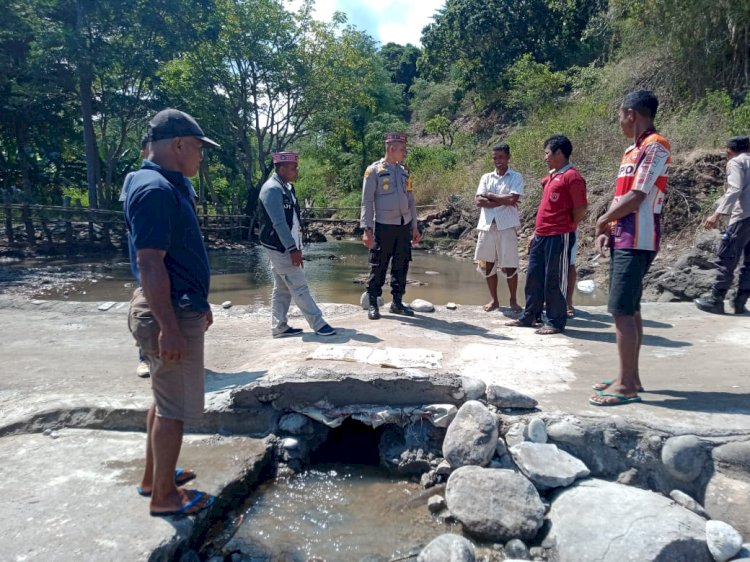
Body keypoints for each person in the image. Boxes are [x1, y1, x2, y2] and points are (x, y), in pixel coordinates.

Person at [125, 108, 219, 516]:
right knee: (174, 410)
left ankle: (154, 477)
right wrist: (170, 327)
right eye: (198, 147)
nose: (201, 155)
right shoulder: (157, 190)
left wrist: (200, 301)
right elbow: (150, 263)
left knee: (163, 400)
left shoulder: (159, 183)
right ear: (178, 145)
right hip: (168, 314)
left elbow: (176, 257)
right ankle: (164, 497)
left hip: (178, 305)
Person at [590, 90, 670, 407]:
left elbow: (638, 195)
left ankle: (626, 387)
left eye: (621, 116)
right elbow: (621, 195)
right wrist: (609, 227)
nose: (620, 122)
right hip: (623, 235)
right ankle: (630, 376)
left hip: (640, 238)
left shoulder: (656, 146)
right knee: (631, 308)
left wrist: (601, 221)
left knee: (621, 310)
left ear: (630, 113)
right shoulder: (630, 151)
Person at [121, 135, 199, 379]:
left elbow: (190, 212)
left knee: (173, 391)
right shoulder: (143, 182)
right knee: (152, 301)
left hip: (181, 269)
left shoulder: (182, 182)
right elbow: (140, 227)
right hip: (156, 256)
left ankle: (165, 361)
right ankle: (146, 357)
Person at [506, 134, 587, 334]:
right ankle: (530, 316)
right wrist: (535, 233)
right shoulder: (552, 176)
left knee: (554, 279)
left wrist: (567, 225)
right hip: (541, 234)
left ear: (559, 153)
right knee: (533, 276)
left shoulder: (572, 177)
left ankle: (555, 321)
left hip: (559, 235)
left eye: (547, 153)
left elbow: (580, 208)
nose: (545, 158)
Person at [257, 152, 336, 337]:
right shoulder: (272, 189)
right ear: (282, 169)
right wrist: (292, 249)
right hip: (280, 246)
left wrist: (297, 245)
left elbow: (292, 220)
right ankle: (318, 323)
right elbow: (279, 223)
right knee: (299, 285)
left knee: (282, 288)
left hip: (288, 244)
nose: (297, 170)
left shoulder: (287, 188)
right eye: (293, 168)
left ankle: (279, 327)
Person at [360, 132, 420, 320]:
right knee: (378, 265)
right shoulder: (374, 171)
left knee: (401, 265)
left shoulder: (404, 172)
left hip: (403, 226)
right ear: (391, 149)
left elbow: (411, 200)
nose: (405, 152)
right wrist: (366, 229)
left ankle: (397, 302)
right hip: (383, 226)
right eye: (402, 149)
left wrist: (415, 226)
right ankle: (373, 303)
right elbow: (367, 202)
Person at [694, 135, 750, 315]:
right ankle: (740, 301)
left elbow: (735, 189)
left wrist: (717, 214)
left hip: (743, 216)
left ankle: (716, 300)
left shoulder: (736, 163)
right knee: (749, 262)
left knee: (726, 257)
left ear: (728, 151)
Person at [474, 142, 524, 313]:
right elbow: (479, 201)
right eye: (495, 158)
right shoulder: (486, 177)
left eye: (501, 157)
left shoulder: (515, 177)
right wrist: (502, 199)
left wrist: (490, 196)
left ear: (508, 157)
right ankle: (494, 300)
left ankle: (513, 300)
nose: (498, 161)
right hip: (487, 226)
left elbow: (512, 200)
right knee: (488, 264)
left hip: (506, 226)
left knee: (510, 265)